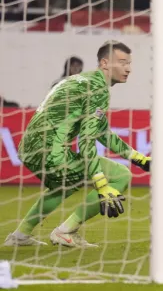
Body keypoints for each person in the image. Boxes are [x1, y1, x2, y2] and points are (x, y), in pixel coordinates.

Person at [4, 41, 151, 248]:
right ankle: (65, 232)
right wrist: (101, 184)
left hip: (30, 147)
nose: (128, 68)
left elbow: (101, 132)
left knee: (66, 184)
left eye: (129, 63)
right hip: (50, 151)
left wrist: (138, 158)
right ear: (105, 63)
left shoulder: (82, 80)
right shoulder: (98, 89)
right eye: (122, 62)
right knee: (120, 175)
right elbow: (86, 140)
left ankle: (20, 236)